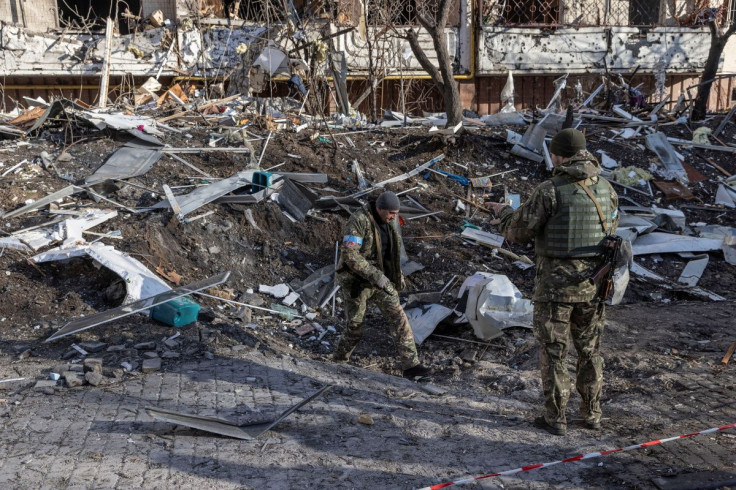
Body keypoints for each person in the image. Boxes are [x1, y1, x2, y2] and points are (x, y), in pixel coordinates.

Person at [489, 128, 619, 436]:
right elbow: (611, 231)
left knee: (555, 353)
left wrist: (504, 212)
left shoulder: (550, 190)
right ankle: (592, 414)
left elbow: (518, 232)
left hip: (555, 289)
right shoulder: (607, 189)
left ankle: (556, 418)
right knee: (590, 352)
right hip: (594, 286)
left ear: (559, 154)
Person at [332, 191, 430, 381]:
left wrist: (396, 275)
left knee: (399, 318)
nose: (394, 217)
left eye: (396, 213)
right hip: (357, 282)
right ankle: (339, 361)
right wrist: (375, 275)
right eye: (391, 213)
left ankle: (411, 366)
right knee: (355, 327)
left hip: (382, 282)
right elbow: (350, 255)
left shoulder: (391, 222)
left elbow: (391, 251)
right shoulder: (359, 220)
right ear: (380, 209)